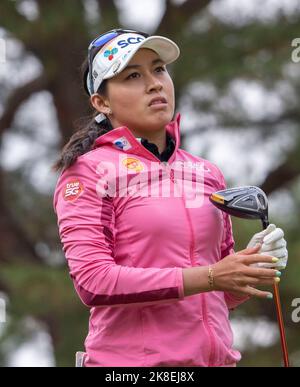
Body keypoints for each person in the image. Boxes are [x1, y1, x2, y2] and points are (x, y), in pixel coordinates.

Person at [52, 29, 288, 367]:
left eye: (159, 69)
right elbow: (94, 282)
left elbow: (222, 293)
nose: (154, 83)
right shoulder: (88, 173)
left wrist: (253, 266)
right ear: (101, 103)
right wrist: (210, 276)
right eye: (133, 75)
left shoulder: (206, 172)